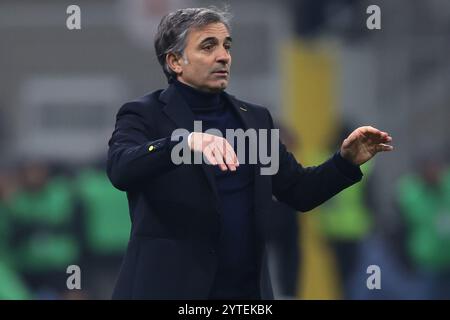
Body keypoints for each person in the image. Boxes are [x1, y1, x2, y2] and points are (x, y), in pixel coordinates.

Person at [107, 7, 393, 300]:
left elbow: (299, 191)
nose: (223, 56)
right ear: (175, 61)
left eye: (226, 46)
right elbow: (121, 168)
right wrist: (183, 142)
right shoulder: (144, 115)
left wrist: (344, 163)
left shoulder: (255, 119)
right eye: (208, 46)